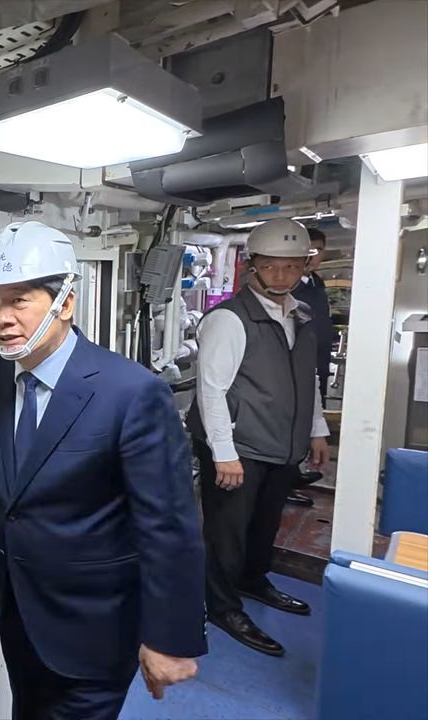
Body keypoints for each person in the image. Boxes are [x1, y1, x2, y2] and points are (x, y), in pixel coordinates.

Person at [0, 221, 206, 719]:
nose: (1, 319)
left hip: (95, 626)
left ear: (65, 303)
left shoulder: (132, 393)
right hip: (18, 609)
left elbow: (169, 524)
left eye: (19, 301)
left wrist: (170, 637)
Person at [187, 217, 331, 657]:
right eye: (270, 266)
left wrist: (316, 429)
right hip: (239, 447)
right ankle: (222, 606)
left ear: (304, 266)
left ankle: (252, 580)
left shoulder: (300, 315)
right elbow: (210, 389)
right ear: (253, 265)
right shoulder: (229, 320)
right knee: (227, 534)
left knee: (265, 524)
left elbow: (307, 379)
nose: (281, 275)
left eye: (291, 266)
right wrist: (223, 453)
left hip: (281, 445)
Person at [288, 227, 336, 503]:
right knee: (295, 417)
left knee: (310, 414)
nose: (312, 256)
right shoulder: (291, 286)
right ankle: (288, 475)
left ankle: (296, 470)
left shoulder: (316, 283)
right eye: (308, 250)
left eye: (317, 250)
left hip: (318, 358)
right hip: (298, 362)